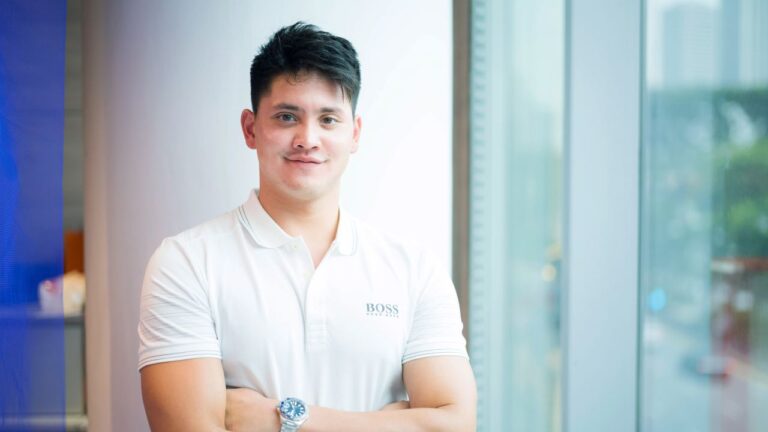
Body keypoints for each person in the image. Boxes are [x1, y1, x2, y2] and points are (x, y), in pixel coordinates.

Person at [138, 22, 476, 432]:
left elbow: (454, 423)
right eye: (286, 117)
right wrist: (385, 422)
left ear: (355, 133)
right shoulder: (186, 263)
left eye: (329, 119)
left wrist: (284, 418)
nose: (307, 139)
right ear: (250, 129)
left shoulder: (414, 270)